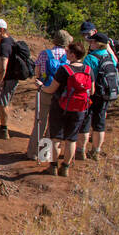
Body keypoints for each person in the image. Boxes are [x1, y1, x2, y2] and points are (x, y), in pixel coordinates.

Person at [35, 40, 93, 177]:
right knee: (71, 139)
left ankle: (53, 166)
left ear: (73, 55)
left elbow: (51, 89)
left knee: (56, 138)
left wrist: (40, 86)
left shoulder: (64, 70)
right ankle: (65, 167)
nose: (65, 53)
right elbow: (92, 90)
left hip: (60, 108)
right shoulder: (88, 70)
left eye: (68, 52)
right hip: (79, 109)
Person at [28, 30, 72, 158]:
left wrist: (40, 80)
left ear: (54, 41)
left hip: (44, 89)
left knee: (40, 121)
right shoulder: (68, 56)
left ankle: (32, 153)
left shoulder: (44, 54)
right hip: (60, 93)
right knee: (53, 122)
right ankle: (44, 153)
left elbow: (37, 72)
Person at [81, 33, 116, 160]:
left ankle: (81, 151)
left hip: (92, 93)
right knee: (100, 123)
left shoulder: (90, 58)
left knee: (86, 121)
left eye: (92, 42)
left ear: (97, 43)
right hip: (105, 94)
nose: (90, 44)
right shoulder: (110, 57)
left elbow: (86, 76)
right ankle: (96, 152)